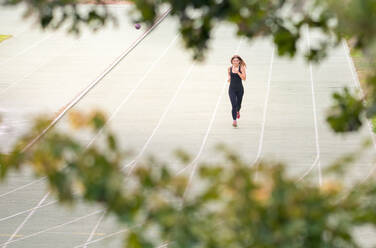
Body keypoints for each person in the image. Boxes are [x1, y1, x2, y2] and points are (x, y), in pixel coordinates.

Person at [228, 55, 246, 127]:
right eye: (234, 61)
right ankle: (234, 120)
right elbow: (229, 76)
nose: (235, 62)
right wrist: (229, 79)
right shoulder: (229, 68)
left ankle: (238, 111)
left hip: (240, 89)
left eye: (237, 61)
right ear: (232, 61)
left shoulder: (241, 68)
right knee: (234, 105)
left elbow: (244, 78)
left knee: (238, 105)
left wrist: (238, 72)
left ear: (239, 62)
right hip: (231, 89)